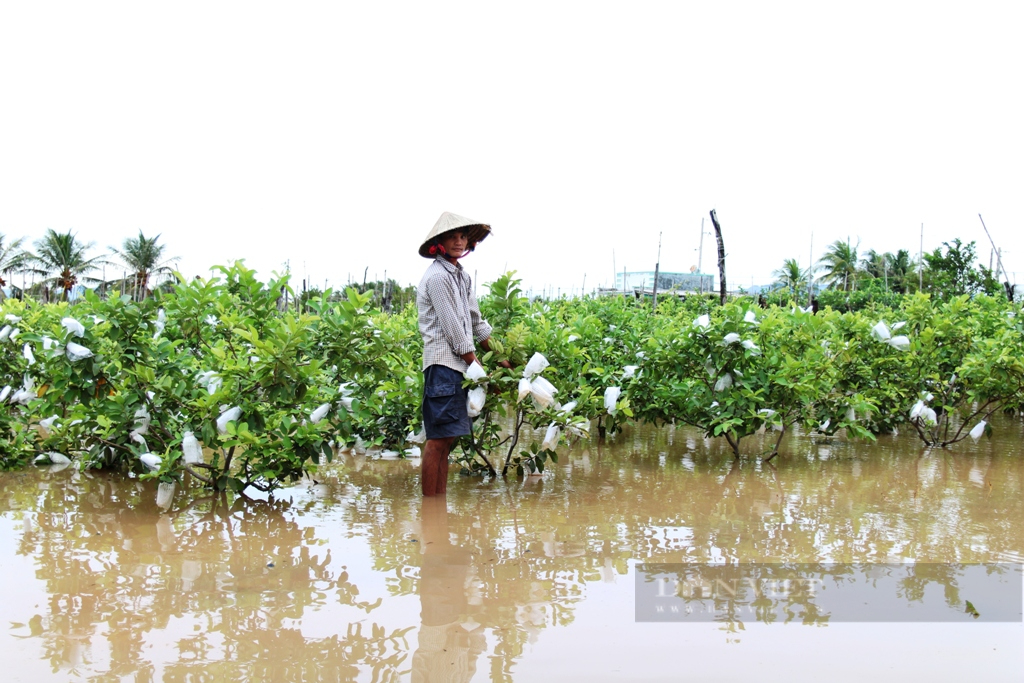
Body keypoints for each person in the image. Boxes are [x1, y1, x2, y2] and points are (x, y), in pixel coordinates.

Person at [416, 212, 508, 497]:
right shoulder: (438, 278)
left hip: (459, 368)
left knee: (448, 440)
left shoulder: (461, 277)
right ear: (440, 242)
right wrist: (480, 370)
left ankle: (437, 510)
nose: (459, 241)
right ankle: (431, 511)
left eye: (463, 236)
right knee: (438, 442)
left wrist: (507, 360)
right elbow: (456, 333)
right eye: (453, 236)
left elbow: (476, 324)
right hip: (444, 366)